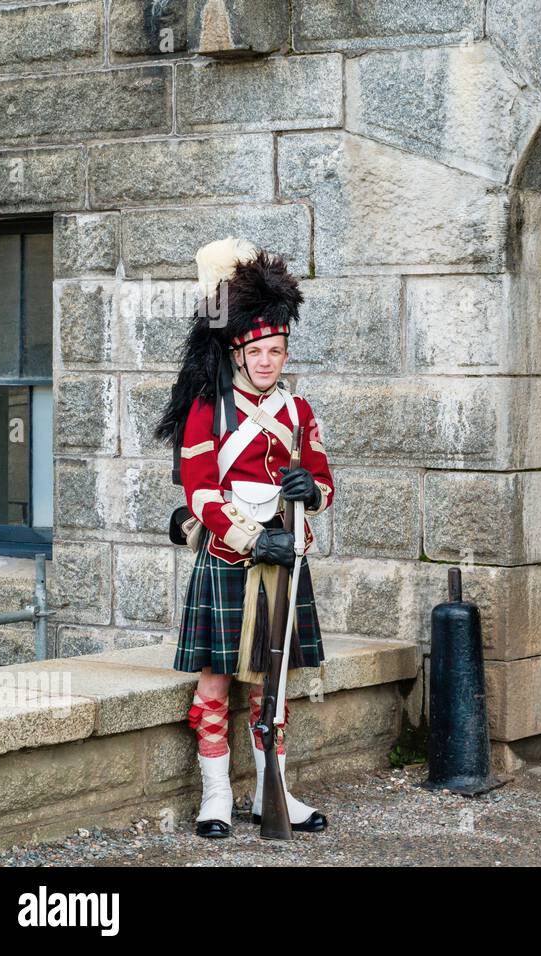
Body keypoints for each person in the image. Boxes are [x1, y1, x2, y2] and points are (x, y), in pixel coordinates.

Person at [154, 237, 335, 838]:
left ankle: (271, 793)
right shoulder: (209, 408)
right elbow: (201, 493)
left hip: (288, 561)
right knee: (215, 683)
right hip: (233, 557)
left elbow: (327, 483)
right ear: (237, 351)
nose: (267, 361)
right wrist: (254, 541)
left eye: (277, 350)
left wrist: (310, 492)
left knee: (272, 686)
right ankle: (215, 799)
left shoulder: (299, 411)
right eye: (257, 350)